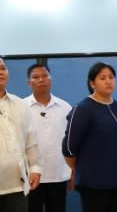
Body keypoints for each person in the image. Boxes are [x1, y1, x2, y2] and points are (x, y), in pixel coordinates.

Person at [62, 62, 117, 212]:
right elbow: (68, 148)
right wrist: (84, 168)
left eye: (111, 77)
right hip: (94, 184)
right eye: (102, 78)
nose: (108, 81)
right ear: (92, 83)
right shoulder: (83, 109)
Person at [25, 64, 72, 212]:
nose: (41, 80)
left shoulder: (65, 107)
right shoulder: (21, 107)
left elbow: (71, 143)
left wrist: (72, 172)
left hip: (58, 174)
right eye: (36, 77)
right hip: (30, 175)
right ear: (29, 83)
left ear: (51, 80)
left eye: (45, 76)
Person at [0, 58, 42, 212]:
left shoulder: (20, 104)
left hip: (17, 187)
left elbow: (31, 141)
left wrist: (36, 167)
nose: (1, 72)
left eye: (3, 68)